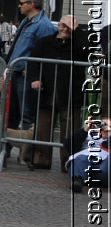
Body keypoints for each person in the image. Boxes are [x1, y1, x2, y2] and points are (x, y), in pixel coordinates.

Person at [26, 15, 92, 171]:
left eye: (68, 27)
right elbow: (33, 62)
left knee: (69, 129)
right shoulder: (45, 42)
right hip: (46, 91)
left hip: (70, 93)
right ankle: (41, 158)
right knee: (43, 127)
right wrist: (35, 78)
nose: (64, 29)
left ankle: (68, 160)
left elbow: (89, 51)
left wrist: (77, 31)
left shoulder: (78, 44)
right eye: (63, 25)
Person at [5, 0, 56, 138]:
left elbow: (46, 54)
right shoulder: (27, 21)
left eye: (21, 3)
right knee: (11, 114)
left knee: (27, 116)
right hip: (15, 72)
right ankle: (5, 150)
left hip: (26, 76)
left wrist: (34, 72)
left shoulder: (44, 25)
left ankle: (27, 154)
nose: (19, 6)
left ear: (31, 4)